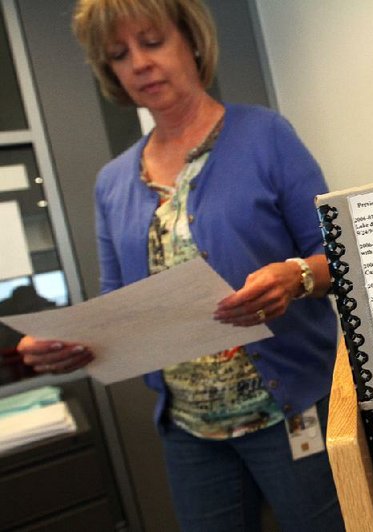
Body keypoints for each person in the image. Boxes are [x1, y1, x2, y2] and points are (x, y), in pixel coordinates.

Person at [17, 0, 344, 530]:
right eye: (119, 54)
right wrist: (74, 343)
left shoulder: (266, 136)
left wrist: (296, 276)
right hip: (190, 432)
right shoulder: (112, 182)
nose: (139, 64)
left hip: (293, 411)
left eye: (152, 41)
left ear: (191, 40)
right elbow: (119, 306)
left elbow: (340, 254)